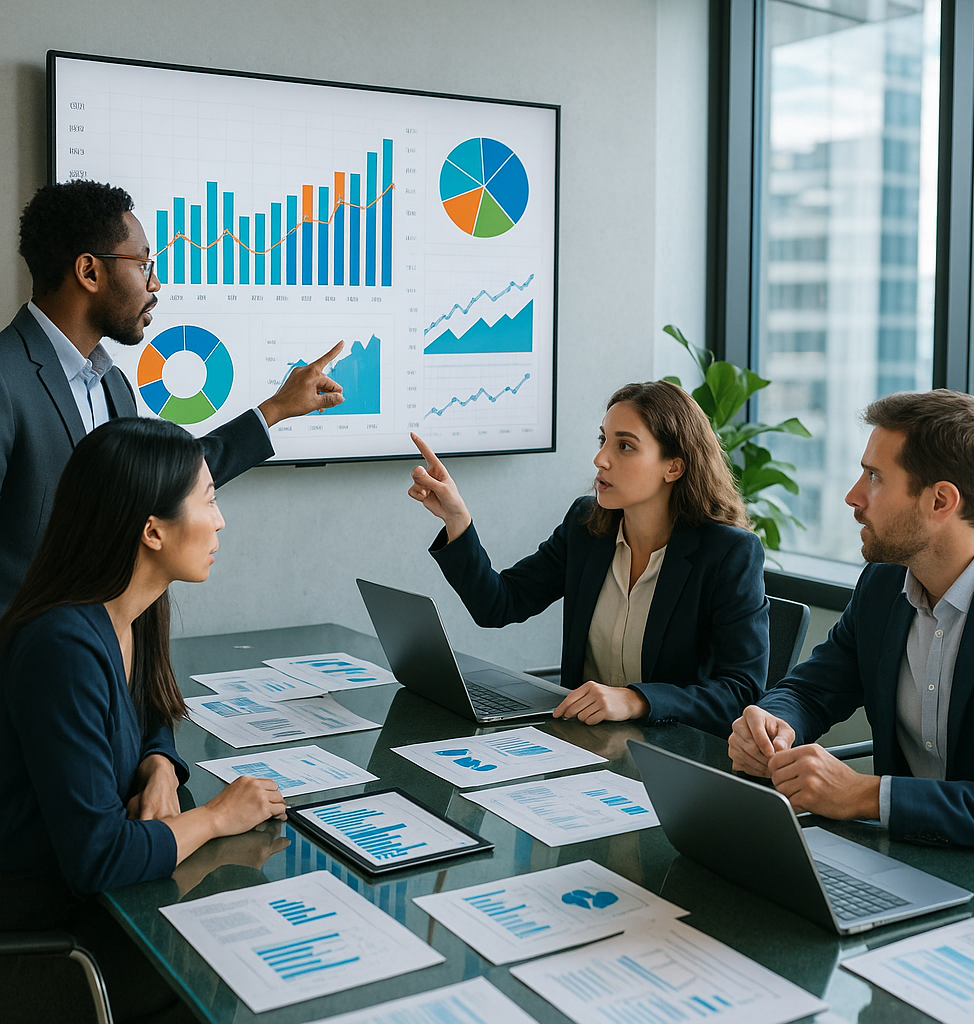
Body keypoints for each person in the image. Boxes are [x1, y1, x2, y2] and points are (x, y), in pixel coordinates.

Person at [0, 416, 288, 1020]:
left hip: (96, 908)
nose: (220, 519)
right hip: (54, 939)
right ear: (152, 530)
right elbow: (99, 858)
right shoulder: (62, 647)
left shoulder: (131, 609)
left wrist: (159, 765)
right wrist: (213, 817)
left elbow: (151, 707)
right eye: (208, 499)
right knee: (241, 970)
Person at [0, 179, 345, 611]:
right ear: (89, 272)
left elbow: (163, 482)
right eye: (143, 264)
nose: (156, 283)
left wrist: (274, 410)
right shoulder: (5, 377)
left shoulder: (112, 384)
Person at [728, 389, 974, 854]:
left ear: (941, 501)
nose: (853, 495)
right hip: (899, 858)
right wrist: (775, 722)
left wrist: (868, 794)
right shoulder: (884, 584)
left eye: (874, 477)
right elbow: (812, 688)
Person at [408, 380, 769, 736]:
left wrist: (637, 700)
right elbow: (499, 604)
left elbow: (741, 693)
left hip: (672, 757)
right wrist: (457, 520)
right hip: (581, 744)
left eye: (624, 446)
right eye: (603, 440)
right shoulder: (586, 527)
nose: (600, 459)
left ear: (673, 467)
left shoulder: (728, 553)